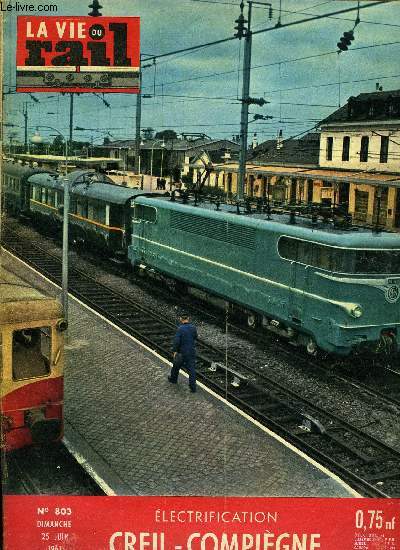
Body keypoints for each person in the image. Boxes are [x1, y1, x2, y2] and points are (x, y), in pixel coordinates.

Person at [168, 314, 198, 393]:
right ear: (188, 318)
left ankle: (173, 379)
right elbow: (195, 337)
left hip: (182, 352)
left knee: (176, 366)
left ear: (181, 319)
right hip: (191, 351)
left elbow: (177, 341)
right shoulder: (193, 328)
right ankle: (193, 387)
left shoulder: (180, 329)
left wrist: (175, 351)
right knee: (192, 370)